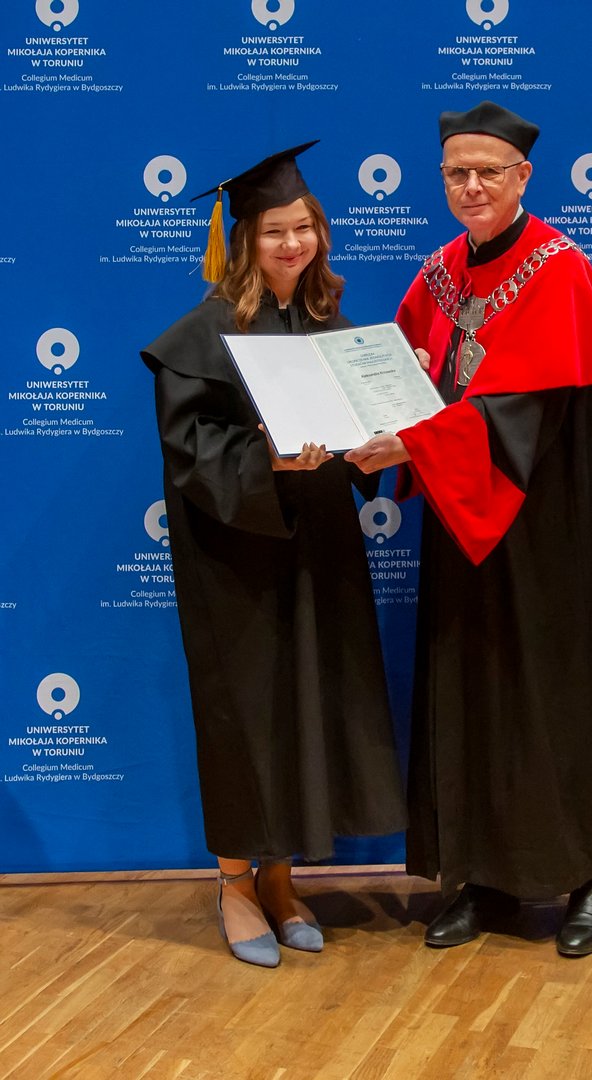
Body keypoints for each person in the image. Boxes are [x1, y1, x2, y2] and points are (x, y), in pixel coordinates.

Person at [346, 101, 592, 957]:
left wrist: (416, 441)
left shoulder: (559, 269)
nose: (471, 186)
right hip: (462, 522)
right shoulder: (437, 273)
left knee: (552, 693)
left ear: (522, 176)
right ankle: (479, 877)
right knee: (468, 689)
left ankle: (587, 875)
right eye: (456, 173)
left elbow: (522, 413)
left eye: (488, 172)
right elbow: (398, 375)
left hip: (545, 529)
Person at [141, 142, 406, 969]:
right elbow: (189, 453)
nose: (293, 244)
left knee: (311, 705)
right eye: (273, 231)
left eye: (304, 228)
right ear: (244, 240)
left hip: (320, 547)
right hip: (236, 559)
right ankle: (234, 882)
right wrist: (267, 460)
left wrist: (380, 440)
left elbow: (361, 431)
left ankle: (284, 879)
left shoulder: (332, 327)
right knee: (246, 713)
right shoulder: (202, 333)